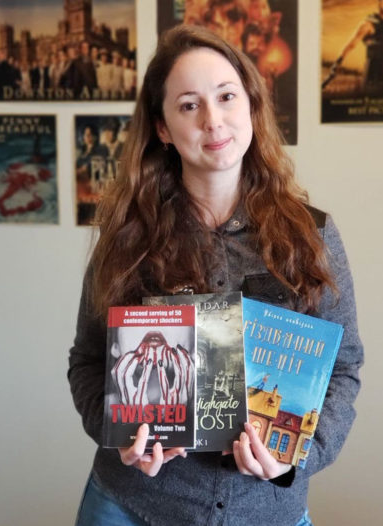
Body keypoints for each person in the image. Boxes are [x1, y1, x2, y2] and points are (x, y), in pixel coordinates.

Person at [69, 24, 363, 526]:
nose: (213, 120)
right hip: (132, 508)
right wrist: (119, 437)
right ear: (162, 128)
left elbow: (344, 368)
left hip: (269, 512)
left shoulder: (312, 235)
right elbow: (88, 362)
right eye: (188, 105)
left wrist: (296, 457)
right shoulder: (126, 238)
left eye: (226, 96)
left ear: (249, 104)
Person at [323, 0, 383, 94]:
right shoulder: (368, 24)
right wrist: (338, 62)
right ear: (379, 4)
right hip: (374, 70)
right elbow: (352, 44)